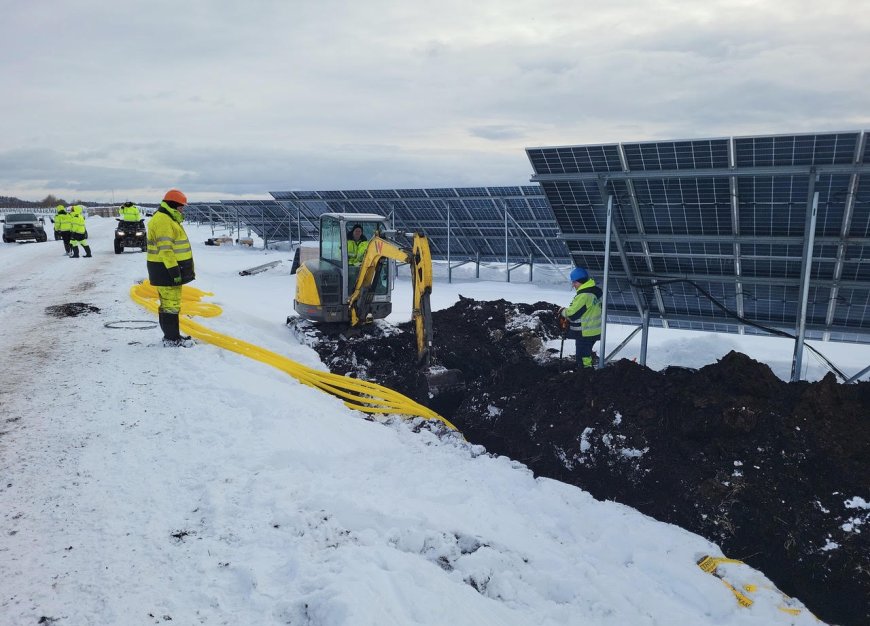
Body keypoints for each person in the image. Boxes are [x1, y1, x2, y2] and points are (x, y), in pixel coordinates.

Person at [146, 189, 195, 346]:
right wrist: (174, 272)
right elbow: (165, 250)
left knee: (169, 305)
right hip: (166, 270)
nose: (182, 209)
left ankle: (172, 336)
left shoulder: (167, 219)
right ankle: (172, 339)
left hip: (165, 269)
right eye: (181, 206)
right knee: (170, 306)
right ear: (173, 205)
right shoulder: (163, 221)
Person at [559, 267, 602, 368]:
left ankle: (585, 374)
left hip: (585, 333)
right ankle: (585, 372)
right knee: (585, 354)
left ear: (581, 282)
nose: (573, 285)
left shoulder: (584, 295)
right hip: (593, 331)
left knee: (582, 357)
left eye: (575, 282)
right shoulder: (594, 292)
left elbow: (572, 314)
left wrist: (562, 311)